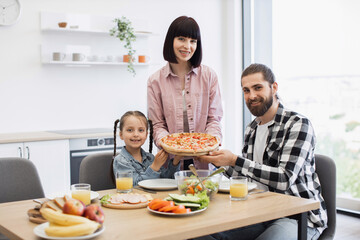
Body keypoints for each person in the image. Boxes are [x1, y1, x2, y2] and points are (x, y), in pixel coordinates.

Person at [197, 64, 327, 240]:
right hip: (261, 212)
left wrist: (235, 160)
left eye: (258, 88)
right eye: (246, 90)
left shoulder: (298, 124)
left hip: (297, 216)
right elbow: (250, 178)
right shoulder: (251, 129)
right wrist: (216, 158)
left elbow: (284, 179)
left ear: (274, 87)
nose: (252, 96)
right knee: (199, 234)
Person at [147, 16, 223, 170]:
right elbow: (157, 124)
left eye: (193, 41)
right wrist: (170, 144)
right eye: (181, 39)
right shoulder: (155, 81)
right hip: (171, 162)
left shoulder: (209, 76)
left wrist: (211, 141)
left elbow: (214, 119)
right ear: (171, 41)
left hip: (204, 159)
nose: (187, 46)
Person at [111, 111, 181, 185]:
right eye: (130, 130)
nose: (136, 134)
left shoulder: (150, 158)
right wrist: (154, 167)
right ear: (121, 134)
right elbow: (134, 186)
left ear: (146, 135)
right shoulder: (120, 161)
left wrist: (176, 161)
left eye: (141, 130)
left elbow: (166, 180)